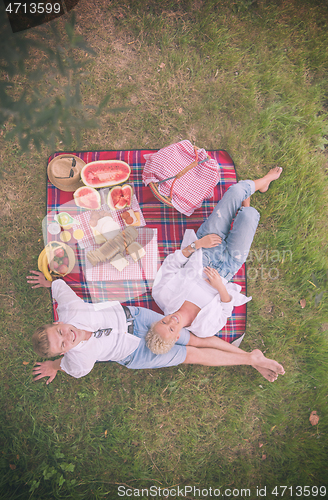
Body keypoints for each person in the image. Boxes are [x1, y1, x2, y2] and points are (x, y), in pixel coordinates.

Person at [26, 272, 285, 384]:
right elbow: (68, 367)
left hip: (137, 318)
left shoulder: (71, 309)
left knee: (192, 339)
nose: (67, 337)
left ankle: (252, 358)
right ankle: (251, 359)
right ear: (64, 352)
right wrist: (54, 366)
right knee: (191, 355)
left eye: (59, 331)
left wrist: (49, 283)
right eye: (62, 345)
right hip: (136, 353)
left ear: (58, 321)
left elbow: (59, 288)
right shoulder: (77, 360)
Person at [147, 167, 283, 355]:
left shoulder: (162, 296)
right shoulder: (204, 329)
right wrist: (220, 287)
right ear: (177, 336)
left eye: (164, 321)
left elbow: (172, 264)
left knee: (235, 191)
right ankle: (247, 202)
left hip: (205, 250)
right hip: (228, 267)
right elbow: (226, 309)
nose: (171, 320)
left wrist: (197, 244)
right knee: (250, 216)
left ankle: (265, 180)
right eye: (171, 328)